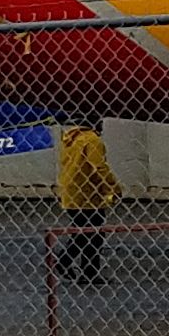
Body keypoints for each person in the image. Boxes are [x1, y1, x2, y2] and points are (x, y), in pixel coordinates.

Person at [57, 117, 121, 285]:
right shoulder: (93, 140)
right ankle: (79, 268)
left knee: (83, 231)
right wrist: (113, 187)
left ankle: (81, 269)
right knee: (94, 234)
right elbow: (98, 166)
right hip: (87, 193)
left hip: (71, 191)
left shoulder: (72, 139)